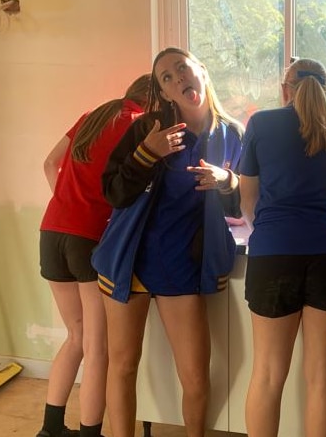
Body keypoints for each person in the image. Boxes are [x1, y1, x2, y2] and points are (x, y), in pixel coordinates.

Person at [91, 47, 243, 437]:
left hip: (182, 267)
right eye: (167, 79)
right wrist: (146, 154)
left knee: (195, 375)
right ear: (164, 93)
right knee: (122, 366)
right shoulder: (148, 129)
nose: (178, 80)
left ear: (201, 71)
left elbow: (245, 199)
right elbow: (114, 193)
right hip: (131, 262)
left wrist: (228, 182)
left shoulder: (231, 134)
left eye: (181, 69)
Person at [239, 58, 326, 437]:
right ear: (325, 90)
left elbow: (247, 200)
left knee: (268, 375)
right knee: (322, 379)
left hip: (273, 255)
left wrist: (269, 231)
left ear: (286, 88)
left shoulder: (261, 124)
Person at [38, 73, 150, 437]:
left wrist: (68, 204)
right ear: (151, 102)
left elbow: (48, 163)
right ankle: (90, 432)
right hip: (88, 238)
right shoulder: (137, 125)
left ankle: (51, 428)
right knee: (97, 345)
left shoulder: (92, 116)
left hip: (52, 230)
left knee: (76, 336)